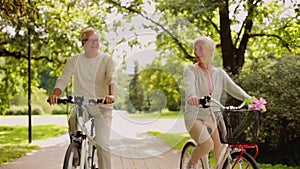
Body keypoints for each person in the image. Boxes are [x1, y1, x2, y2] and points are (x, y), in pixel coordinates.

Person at [48, 27, 117, 169]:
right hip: (82, 105)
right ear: (82, 43)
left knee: (102, 144)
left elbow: (112, 79)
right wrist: (56, 94)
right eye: (91, 40)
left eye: (96, 40)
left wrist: (111, 95)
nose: (94, 43)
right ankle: (76, 152)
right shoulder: (75, 60)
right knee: (73, 119)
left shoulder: (106, 60)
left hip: (102, 107)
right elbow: (63, 79)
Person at [183, 35, 250, 169]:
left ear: (210, 51)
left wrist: (251, 99)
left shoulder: (219, 73)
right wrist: (192, 96)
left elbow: (234, 88)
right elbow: (189, 85)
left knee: (222, 152)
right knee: (207, 144)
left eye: (200, 49)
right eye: (195, 49)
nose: (196, 52)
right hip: (194, 116)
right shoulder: (190, 70)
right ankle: (191, 164)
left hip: (214, 117)